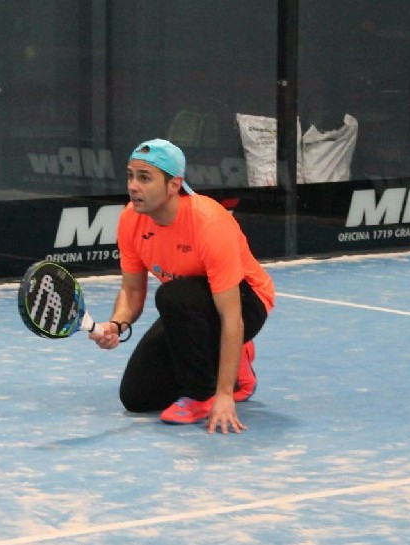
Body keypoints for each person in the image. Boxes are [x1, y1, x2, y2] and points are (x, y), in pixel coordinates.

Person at [90, 138, 274, 434]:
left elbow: (232, 316)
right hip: (189, 309)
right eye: (131, 176)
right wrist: (116, 324)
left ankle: (202, 395)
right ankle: (230, 365)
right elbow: (132, 291)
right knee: (137, 397)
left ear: (174, 185)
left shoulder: (208, 223)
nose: (133, 186)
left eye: (145, 178)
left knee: (174, 296)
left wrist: (223, 396)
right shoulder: (130, 220)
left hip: (246, 301)